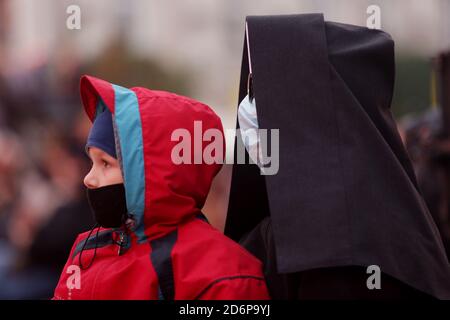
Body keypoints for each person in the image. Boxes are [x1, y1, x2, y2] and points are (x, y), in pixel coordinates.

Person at [225, 14, 450, 299]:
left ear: (310, 109)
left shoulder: (328, 242)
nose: (248, 106)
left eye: (262, 91)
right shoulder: (393, 212)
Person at [53, 75, 270, 300]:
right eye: (92, 162)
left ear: (151, 169)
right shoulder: (88, 248)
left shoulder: (225, 274)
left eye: (106, 163)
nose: (88, 178)